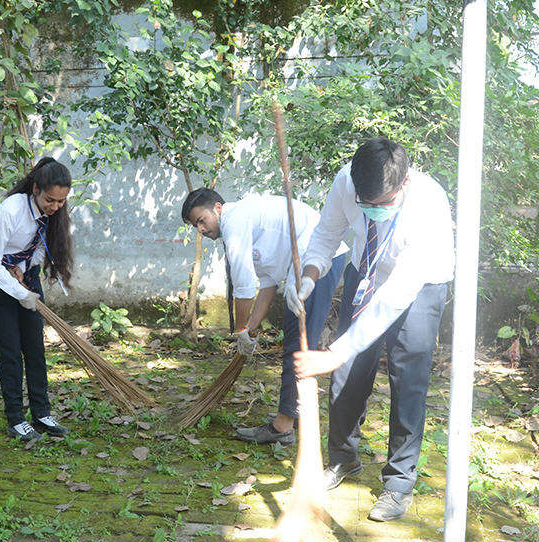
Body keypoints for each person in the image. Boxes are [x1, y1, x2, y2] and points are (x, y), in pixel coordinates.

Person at [292, 138, 454, 522]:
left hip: (419, 285)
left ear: (405, 182)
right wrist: (309, 276)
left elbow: (396, 295)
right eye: (365, 203)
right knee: (347, 373)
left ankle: (399, 482)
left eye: (382, 203)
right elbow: (327, 235)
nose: (372, 209)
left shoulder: (428, 203)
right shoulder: (346, 182)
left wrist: (334, 352)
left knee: (407, 379)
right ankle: (343, 459)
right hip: (365, 271)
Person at [181, 188, 347, 447]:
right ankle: (294, 413)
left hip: (317, 260)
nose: (201, 230)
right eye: (196, 226)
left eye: (202, 220)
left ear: (218, 208)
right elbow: (268, 283)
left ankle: (282, 427)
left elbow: (244, 287)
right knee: (298, 343)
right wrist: (251, 327)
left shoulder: (235, 221)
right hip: (309, 260)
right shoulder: (246, 221)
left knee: (297, 345)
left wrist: (240, 330)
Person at [0, 157, 74, 442]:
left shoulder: (54, 212)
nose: (55, 206)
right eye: (49, 200)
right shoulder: (9, 210)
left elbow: (41, 249)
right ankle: (16, 419)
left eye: (61, 201)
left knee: (34, 346)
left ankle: (41, 413)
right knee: (10, 350)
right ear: (35, 189)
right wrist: (21, 292)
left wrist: (22, 268)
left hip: (24, 274)